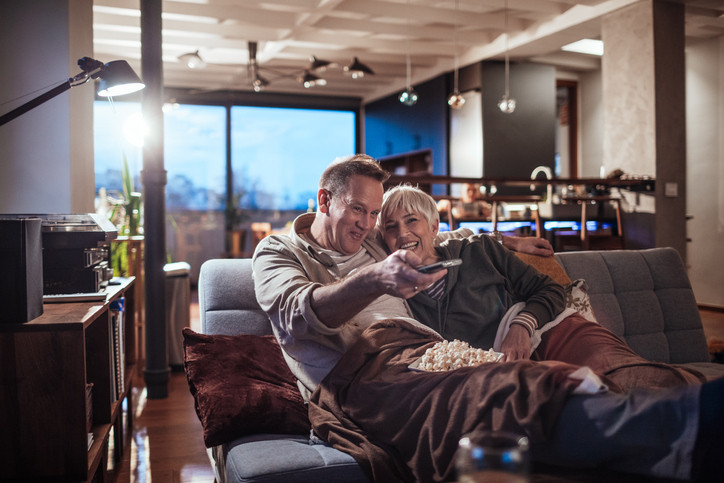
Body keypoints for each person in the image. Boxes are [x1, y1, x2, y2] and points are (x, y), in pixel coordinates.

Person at [252, 154, 721, 481]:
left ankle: (682, 412)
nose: (370, 223)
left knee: (527, 376)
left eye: (375, 212)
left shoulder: (369, 237)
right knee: (493, 391)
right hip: (360, 370)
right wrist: (375, 280)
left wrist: (507, 242)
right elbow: (296, 315)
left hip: (426, 348)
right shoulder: (277, 252)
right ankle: (686, 428)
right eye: (359, 209)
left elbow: (439, 231)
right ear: (323, 199)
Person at [378, 184, 705, 391]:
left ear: (434, 227)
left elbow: (550, 291)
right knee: (587, 400)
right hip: (500, 370)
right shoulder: (391, 288)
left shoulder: (479, 249)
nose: (402, 233)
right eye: (391, 227)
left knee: (631, 375)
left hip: (548, 328)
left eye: (411, 221)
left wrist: (521, 325)